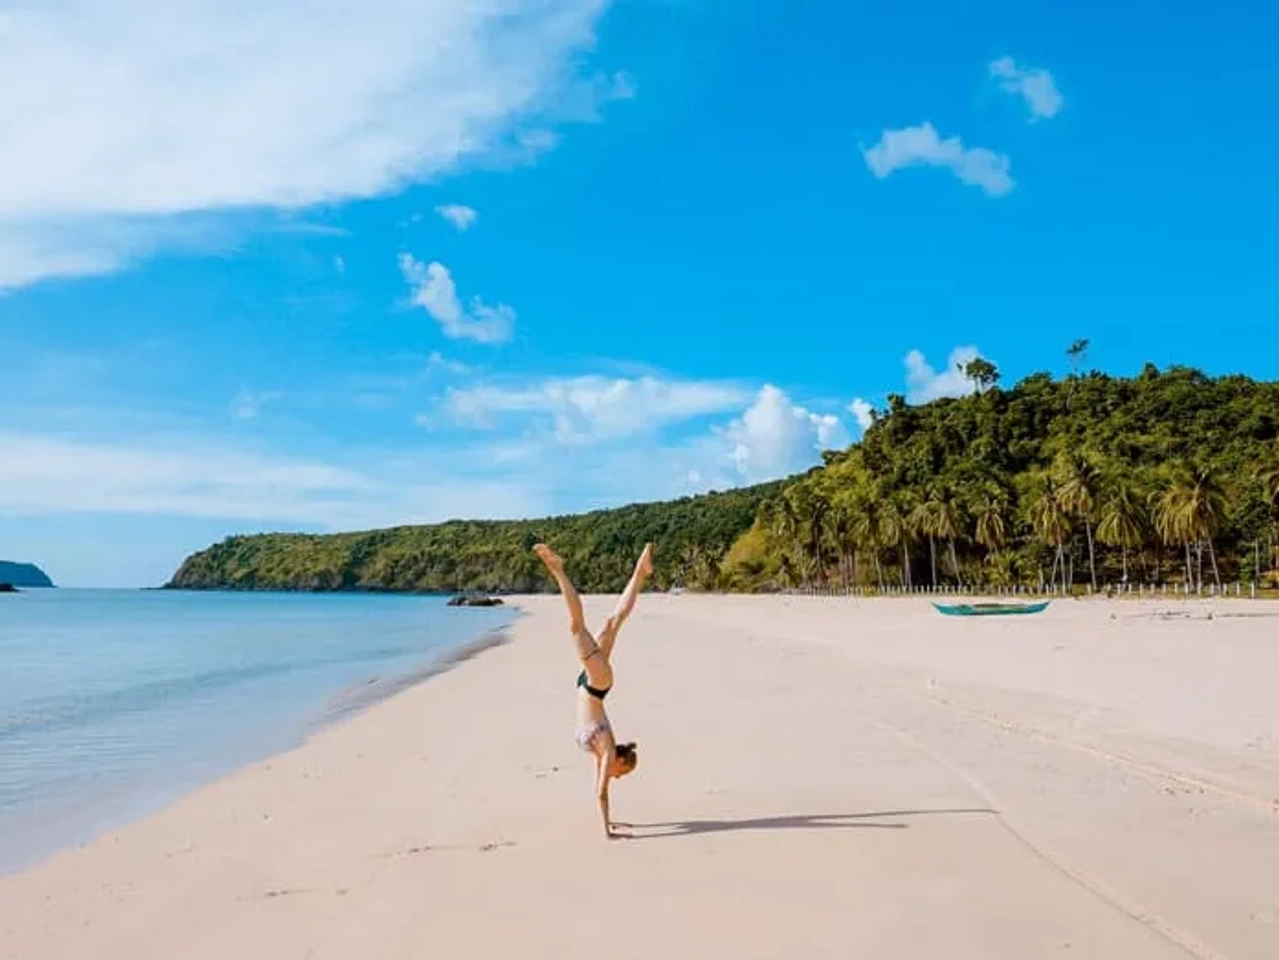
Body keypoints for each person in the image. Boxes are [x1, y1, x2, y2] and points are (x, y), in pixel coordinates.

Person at [533, 541, 654, 839]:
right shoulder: (608, 752)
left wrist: (610, 823)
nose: (617, 777)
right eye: (622, 773)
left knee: (613, 622)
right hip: (596, 683)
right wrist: (607, 832)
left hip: (591, 684)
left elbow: (599, 793)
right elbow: (600, 794)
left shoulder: (603, 755)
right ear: (621, 762)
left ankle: (641, 573)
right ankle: (558, 570)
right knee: (577, 628)